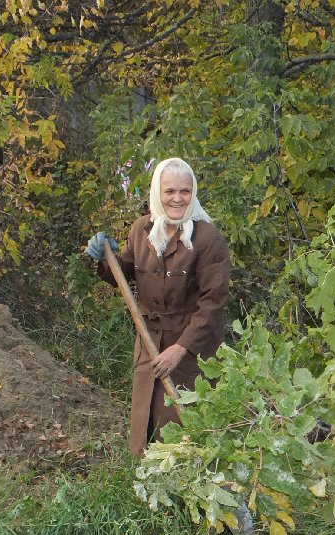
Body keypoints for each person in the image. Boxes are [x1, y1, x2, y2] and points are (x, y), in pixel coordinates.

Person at [84, 157, 230, 456]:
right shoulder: (142, 230)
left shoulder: (208, 239)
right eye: (170, 191)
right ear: (157, 193)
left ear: (193, 193)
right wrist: (103, 256)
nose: (177, 198)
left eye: (185, 191)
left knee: (182, 433)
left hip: (191, 350)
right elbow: (122, 271)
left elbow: (212, 304)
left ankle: (186, 482)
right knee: (145, 423)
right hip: (149, 341)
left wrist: (180, 349)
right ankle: (144, 481)